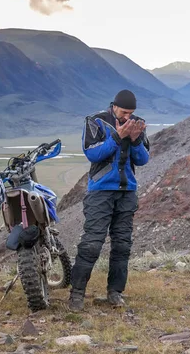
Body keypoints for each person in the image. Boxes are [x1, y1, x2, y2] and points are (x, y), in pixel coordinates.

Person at [68, 89, 150, 311]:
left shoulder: (136, 124)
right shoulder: (96, 121)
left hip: (127, 191)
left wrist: (134, 141)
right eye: (124, 112)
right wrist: (118, 136)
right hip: (101, 191)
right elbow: (93, 154)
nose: (128, 117)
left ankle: (115, 292)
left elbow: (143, 159)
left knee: (122, 245)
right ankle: (76, 294)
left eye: (131, 113)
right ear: (114, 106)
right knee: (92, 243)